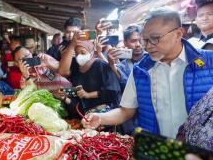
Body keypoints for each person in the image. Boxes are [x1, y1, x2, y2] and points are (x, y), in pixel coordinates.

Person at [82, 7, 213, 139]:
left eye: (155, 38)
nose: (148, 46)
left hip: (202, 156)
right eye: (145, 40)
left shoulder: (209, 63)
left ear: (178, 34)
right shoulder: (140, 71)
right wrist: (101, 118)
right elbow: (126, 111)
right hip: (156, 151)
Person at [58, 38, 121, 116]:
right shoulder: (76, 68)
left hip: (107, 116)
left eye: (83, 53)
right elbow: (79, 95)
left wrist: (88, 94)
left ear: (91, 53)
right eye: (77, 54)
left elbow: (113, 90)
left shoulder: (100, 65)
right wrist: (63, 96)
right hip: (85, 116)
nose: (79, 57)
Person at [107, 25, 144, 91]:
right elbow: (126, 86)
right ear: (125, 43)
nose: (138, 44)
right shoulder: (122, 67)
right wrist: (112, 65)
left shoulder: (153, 59)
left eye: (141, 40)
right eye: (133, 41)